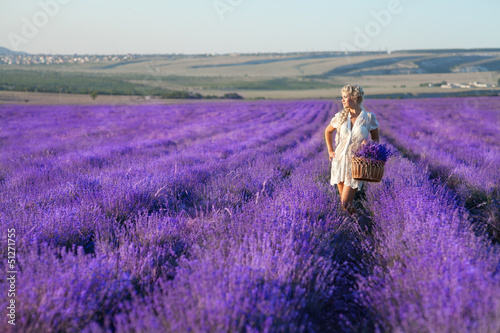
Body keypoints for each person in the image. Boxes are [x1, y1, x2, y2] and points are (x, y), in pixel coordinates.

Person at [324, 84, 379, 214]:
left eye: (345, 97)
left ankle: (362, 225)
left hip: (356, 165)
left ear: (355, 98)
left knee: (346, 202)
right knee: (344, 206)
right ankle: (356, 227)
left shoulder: (369, 118)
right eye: (342, 97)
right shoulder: (340, 116)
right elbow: (328, 131)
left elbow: (376, 139)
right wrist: (330, 151)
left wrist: (369, 144)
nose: (342, 100)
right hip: (339, 162)